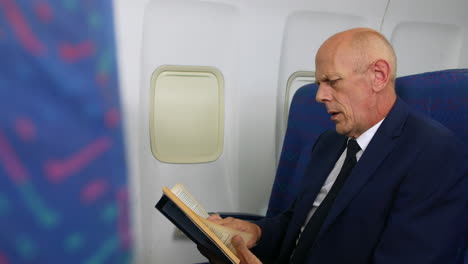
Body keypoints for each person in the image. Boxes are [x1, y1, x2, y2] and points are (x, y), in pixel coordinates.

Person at [200, 27, 467, 264]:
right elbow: (300, 222)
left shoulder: (434, 154)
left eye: (332, 81)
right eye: (318, 84)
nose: (319, 96)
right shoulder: (330, 142)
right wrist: (256, 233)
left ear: (378, 75)